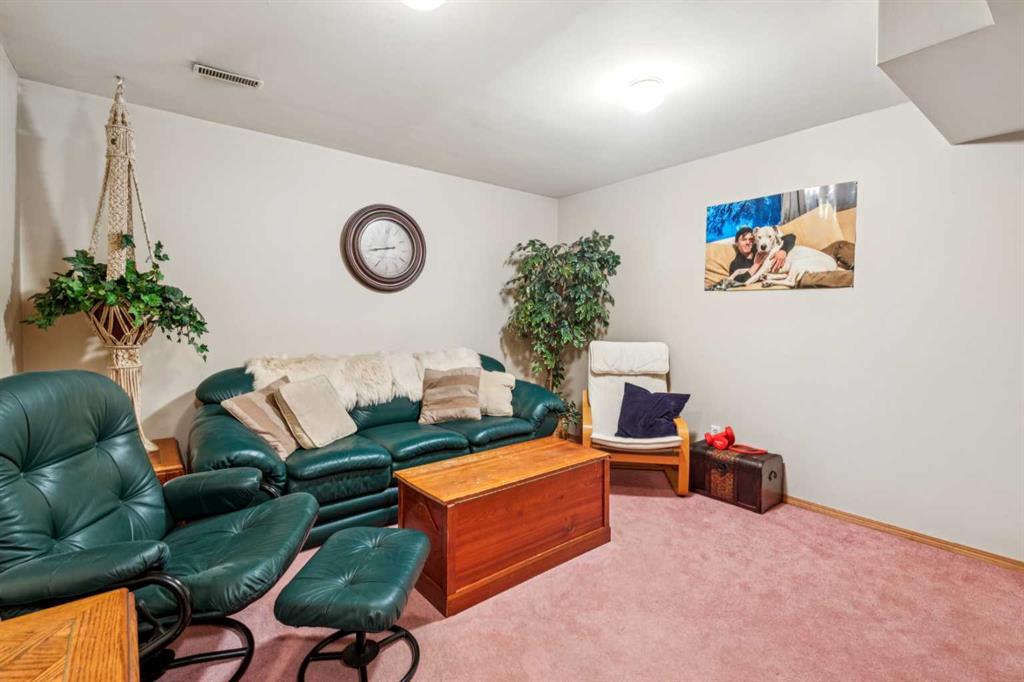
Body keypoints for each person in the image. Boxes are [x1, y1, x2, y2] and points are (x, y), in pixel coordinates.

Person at [728, 226, 795, 283]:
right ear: (736, 243)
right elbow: (738, 280)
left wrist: (783, 250)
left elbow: (791, 237)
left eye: (750, 239)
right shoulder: (736, 263)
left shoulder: (758, 248)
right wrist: (757, 264)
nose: (748, 242)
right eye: (744, 239)